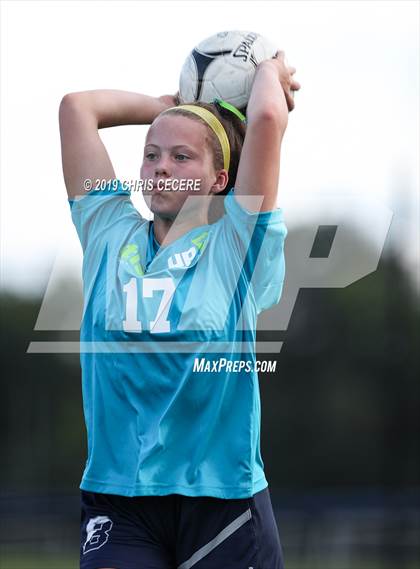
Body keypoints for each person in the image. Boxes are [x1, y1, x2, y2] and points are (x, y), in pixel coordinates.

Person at [59, 50, 300, 569]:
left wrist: (267, 70)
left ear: (219, 180)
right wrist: (169, 107)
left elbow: (264, 116)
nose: (161, 167)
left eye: (182, 157)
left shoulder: (236, 244)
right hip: (120, 498)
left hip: (222, 500)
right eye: (151, 155)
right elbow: (77, 108)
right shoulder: (108, 232)